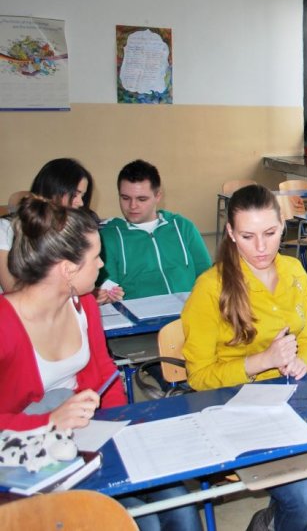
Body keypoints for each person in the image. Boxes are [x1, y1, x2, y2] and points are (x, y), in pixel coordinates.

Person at [0, 196, 200, 531]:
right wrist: (50, 420)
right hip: (27, 458)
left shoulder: (83, 305)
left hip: (85, 437)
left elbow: (104, 375)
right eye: (95, 257)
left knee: (180, 504)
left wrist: (124, 432)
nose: (102, 264)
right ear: (67, 269)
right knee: (142, 520)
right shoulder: (6, 323)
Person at [180, 184, 307, 531]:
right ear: (230, 233)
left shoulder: (294, 271)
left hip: (294, 400)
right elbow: (199, 377)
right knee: (305, 497)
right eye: (248, 236)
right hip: (232, 409)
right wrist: (262, 361)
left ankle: (273, 521)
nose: (262, 247)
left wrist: (302, 361)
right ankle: (281, 518)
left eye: (270, 233)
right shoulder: (210, 288)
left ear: (283, 225)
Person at [97, 160, 212, 302]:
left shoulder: (182, 227)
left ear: (158, 196)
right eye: (125, 198)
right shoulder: (108, 237)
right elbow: (108, 289)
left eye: (142, 199)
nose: (132, 206)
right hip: (139, 313)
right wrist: (107, 297)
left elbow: (207, 276)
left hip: (188, 309)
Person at [1, 158, 95, 295]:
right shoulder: (6, 229)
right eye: (75, 194)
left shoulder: (71, 230)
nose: (80, 202)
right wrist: (73, 292)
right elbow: (12, 290)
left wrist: (89, 292)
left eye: (83, 195)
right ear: (54, 191)